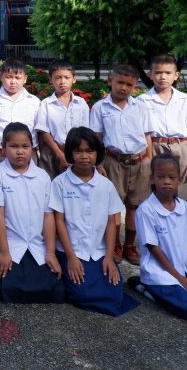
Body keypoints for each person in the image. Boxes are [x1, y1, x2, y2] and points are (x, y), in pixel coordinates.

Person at [50, 127, 139, 317]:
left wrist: (109, 257)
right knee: (81, 294)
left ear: (98, 153)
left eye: (89, 151)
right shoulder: (60, 183)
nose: (84, 156)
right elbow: (59, 222)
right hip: (71, 250)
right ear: (70, 153)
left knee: (115, 292)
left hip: (98, 251)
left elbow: (111, 223)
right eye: (78, 151)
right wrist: (71, 258)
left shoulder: (106, 185)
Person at [0, 122, 64, 304]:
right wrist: (4, 252)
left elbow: (48, 215)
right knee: (10, 289)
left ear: (33, 149)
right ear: (3, 149)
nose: (20, 151)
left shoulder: (42, 177)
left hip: (36, 244)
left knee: (54, 288)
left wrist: (50, 253)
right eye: (14, 146)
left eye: (25, 146)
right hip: (8, 245)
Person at [132, 152, 187, 324]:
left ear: (179, 180)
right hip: (161, 272)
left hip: (184, 270)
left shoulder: (184, 208)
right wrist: (179, 278)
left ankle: (170, 290)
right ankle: (146, 289)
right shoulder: (146, 210)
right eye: (161, 177)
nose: (167, 182)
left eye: (172, 177)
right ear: (152, 179)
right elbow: (153, 248)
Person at [90, 63, 152, 265]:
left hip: (140, 161)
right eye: (120, 82)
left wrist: (150, 161)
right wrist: (98, 164)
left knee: (135, 206)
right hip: (114, 162)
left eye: (129, 84)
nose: (123, 88)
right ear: (110, 81)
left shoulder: (140, 107)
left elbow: (147, 136)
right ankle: (115, 244)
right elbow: (97, 138)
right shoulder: (100, 108)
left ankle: (129, 246)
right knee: (114, 207)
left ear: (135, 87)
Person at [139, 55, 187, 201]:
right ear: (150, 74)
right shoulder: (142, 101)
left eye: (168, 73)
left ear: (176, 75)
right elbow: (145, 134)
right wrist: (149, 160)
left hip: (180, 148)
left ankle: (179, 215)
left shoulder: (186, 100)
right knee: (153, 191)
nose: (163, 77)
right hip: (154, 147)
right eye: (158, 72)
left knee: (181, 193)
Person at [0, 59, 40, 170]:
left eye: (17, 78)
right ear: (1, 76)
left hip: (27, 155)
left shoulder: (34, 102)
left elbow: (39, 130)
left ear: (25, 79)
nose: (13, 82)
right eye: (9, 77)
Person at [35, 60, 90, 177]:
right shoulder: (46, 104)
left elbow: (85, 131)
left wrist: (77, 154)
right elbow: (45, 132)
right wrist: (60, 155)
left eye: (66, 77)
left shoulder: (81, 103)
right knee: (50, 184)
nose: (62, 82)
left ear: (74, 79)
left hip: (75, 152)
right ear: (51, 80)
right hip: (52, 152)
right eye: (58, 78)